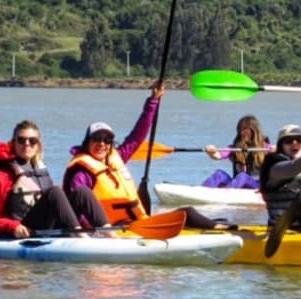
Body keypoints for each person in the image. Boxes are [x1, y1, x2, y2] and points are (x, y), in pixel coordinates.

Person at [64, 84, 231, 230]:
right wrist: (90, 230)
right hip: (110, 229)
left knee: (187, 213)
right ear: (87, 142)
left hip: (136, 224)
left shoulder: (118, 156)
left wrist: (154, 100)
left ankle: (221, 228)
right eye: (97, 139)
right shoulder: (81, 172)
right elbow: (77, 208)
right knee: (187, 214)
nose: (102, 144)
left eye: (107, 140)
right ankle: (219, 229)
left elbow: (138, 135)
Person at [0, 119, 106, 237]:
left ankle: (110, 234)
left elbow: (54, 207)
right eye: (21, 140)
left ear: (38, 145)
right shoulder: (0, 177)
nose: (27, 144)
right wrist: (13, 227)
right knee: (55, 192)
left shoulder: (38, 170)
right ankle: (81, 237)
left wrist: (86, 226)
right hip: (25, 229)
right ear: (13, 143)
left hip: (46, 226)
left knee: (82, 192)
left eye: (32, 140)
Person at [202, 114, 273, 189]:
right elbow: (217, 155)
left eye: (245, 129)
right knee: (219, 174)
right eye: (240, 129)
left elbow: (280, 155)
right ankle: (201, 190)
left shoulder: (265, 148)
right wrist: (211, 151)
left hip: (257, 186)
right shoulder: (234, 148)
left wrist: (276, 149)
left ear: (254, 131)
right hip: (237, 185)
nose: (242, 132)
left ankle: (227, 194)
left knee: (242, 176)